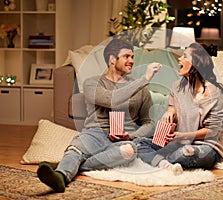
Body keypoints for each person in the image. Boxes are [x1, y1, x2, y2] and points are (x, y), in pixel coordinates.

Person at [37, 38, 161, 192]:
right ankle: (61, 177)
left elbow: (149, 122)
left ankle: (74, 166)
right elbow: (111, 99)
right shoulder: (92, 83)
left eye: (132, 57)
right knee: (76, 148)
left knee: (129, 151)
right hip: (95, 133)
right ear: (112, 59)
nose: (131, 61)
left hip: (123, 139)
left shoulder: (140, 88)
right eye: (126, 56)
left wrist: (131, 135)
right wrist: (144, 79)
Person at [134, 43, 223, 175]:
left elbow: (213, 131)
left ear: (196, 63)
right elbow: (173, 108)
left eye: (184, 56)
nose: (179, 59)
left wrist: (183, 136)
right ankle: (166, 164)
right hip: (179, 142)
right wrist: (170, 112)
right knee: (138, 143)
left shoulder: (213, 92)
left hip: (206, 146)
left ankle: (156, 160)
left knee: (186, 153)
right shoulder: (177, 87)